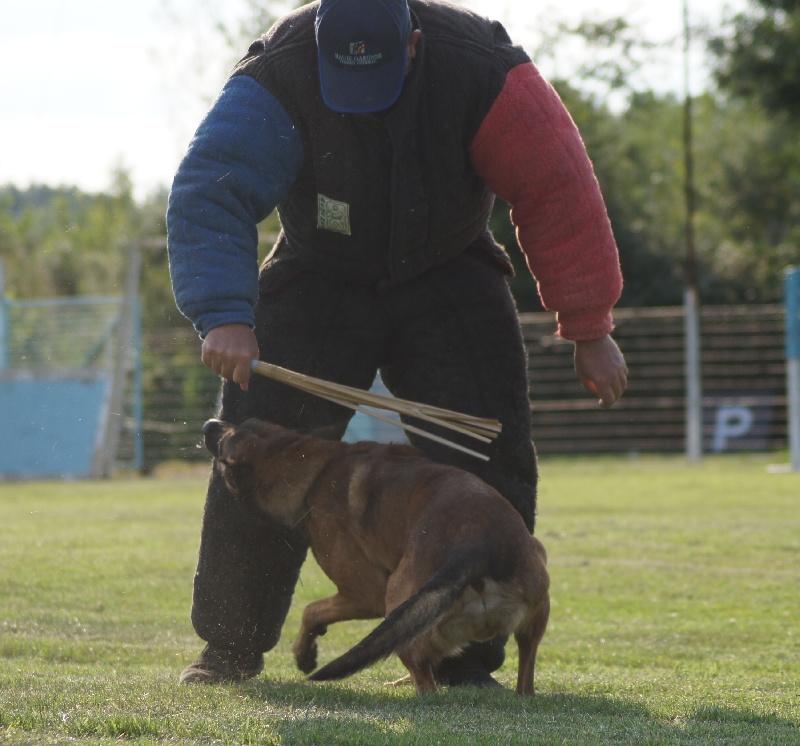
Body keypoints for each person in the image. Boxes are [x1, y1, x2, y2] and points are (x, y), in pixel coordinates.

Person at [167, 0, 628, 687]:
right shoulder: (280, 71)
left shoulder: (483, 68)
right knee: (255, 449)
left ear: (412, 43)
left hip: (449, 267)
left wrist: (589, 324)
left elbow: (557, 187)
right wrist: (224, 315)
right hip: (318, 269)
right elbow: (210, 187)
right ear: (321, 44)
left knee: (487, 451)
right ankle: (230, 647)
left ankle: (467, 657)